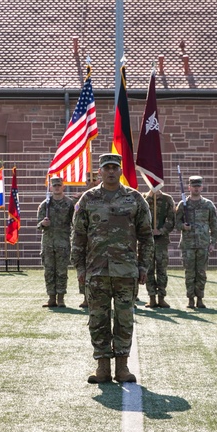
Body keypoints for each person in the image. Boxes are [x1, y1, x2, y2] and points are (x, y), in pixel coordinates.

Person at [71, 153, 154, 384]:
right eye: (106, 168)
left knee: (124, 319)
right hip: (96, 271)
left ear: (120, 171)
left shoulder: (135, 199)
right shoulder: (88, 199)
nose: (110, 171)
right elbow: (77, 235)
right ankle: (102, 368)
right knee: (98, 319)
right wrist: (79, 266)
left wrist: (143, 265)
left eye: (114, 168)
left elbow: (146, 236)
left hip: (126, 271)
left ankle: (122, 367)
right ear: (99, 171)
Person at [174, 175, 217, 309]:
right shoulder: (183, 205)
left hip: (203, 244)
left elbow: (214, 225)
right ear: (189, 187)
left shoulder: (208, 205)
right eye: (194, 186)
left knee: (201, 273)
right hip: (188, 244)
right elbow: (176, 223)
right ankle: (190, 299)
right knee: (189, 272)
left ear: (202, 187)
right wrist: (183, 226)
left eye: (198, 186)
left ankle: (200, 298)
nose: (196, 188)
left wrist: (213, 242)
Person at [36, 176, 75, 307]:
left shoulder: (69, 204)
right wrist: (43, 223)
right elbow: (38, 224)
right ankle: (51, 297)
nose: (57, 187)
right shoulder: (45, 204)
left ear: (63, 186)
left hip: (63, 242)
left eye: (59, 185)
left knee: (62, 271)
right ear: (51, 187)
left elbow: (74, 222)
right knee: (49, 271)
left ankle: (61, 298)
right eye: (55, 185)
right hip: (48, 243)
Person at [144, 186, 176, 308]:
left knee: (162, 270)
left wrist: (161, 231)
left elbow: (171, 220)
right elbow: (139, 215)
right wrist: (150, 197)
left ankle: (161, 297)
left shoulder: (167, 199)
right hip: (147, 241)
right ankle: (151, 297)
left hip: (161, 241)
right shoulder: (144, 198)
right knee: (149, 270)